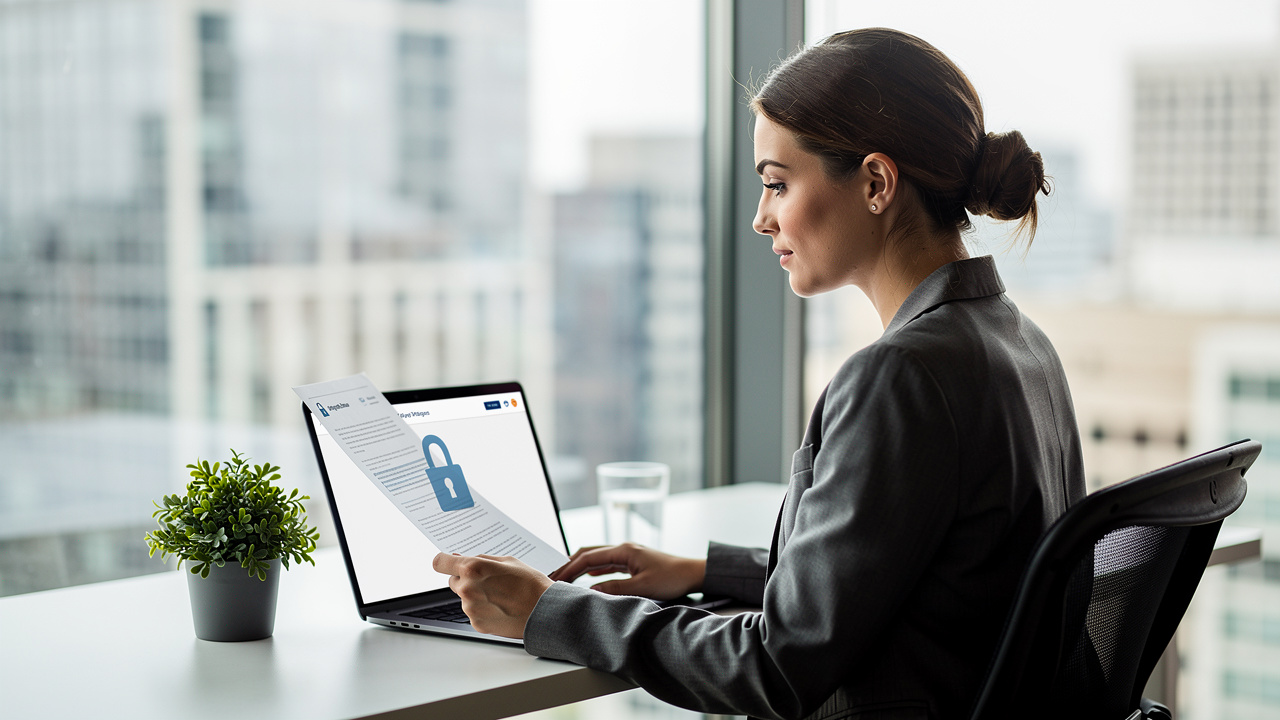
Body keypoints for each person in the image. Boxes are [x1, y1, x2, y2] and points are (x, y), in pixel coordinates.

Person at [433, 27, 1086, 720]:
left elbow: (776, 666)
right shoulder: (1019, 341)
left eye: (777, 184)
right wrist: (705, 573)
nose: (759, 218)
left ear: (875, 183)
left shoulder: (901, 376)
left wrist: (551, 610)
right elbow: (912, 568)